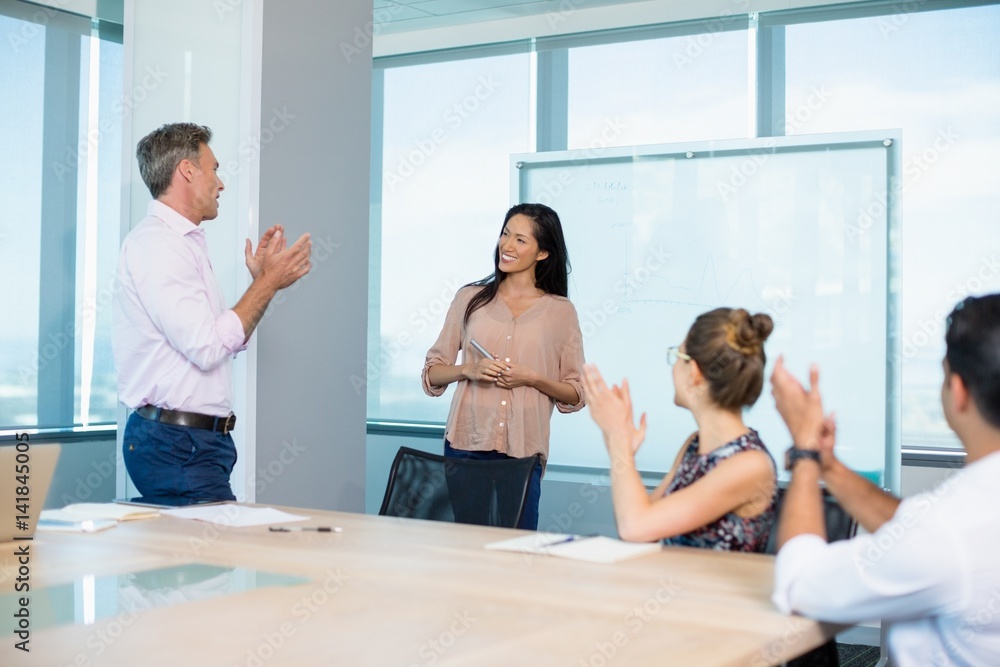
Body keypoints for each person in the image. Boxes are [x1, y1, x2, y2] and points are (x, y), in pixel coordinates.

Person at [770, 294, 1000, 666]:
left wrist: (805, 453)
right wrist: (829, 466)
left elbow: (800, 587)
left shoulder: (950, 533)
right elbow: (913, 527)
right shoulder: (962, 517)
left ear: (958, 391)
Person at [113, 123, 312, 501]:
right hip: (178, 446)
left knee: (211, 541)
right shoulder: (160, 246)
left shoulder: (180, 244)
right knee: (216, 540)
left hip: (190, 444)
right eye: (215, 169)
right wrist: (267, 283)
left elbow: (222, 342)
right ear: (187, 171)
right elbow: (207, 348)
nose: (221, 183)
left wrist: (262, 283)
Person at [422, 203, 585, 530]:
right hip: (466, 445)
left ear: (543, 253)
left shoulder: (560, 311)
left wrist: (533, 378)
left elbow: (576, 393)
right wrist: (467, 370)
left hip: (523, 450)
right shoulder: (470, 299)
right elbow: (432, 373)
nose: (507, 245)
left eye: (520, 240)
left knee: (517, 548)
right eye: (505, 234)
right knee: (468, 544)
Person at [583, 308, 777, 550]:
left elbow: (634, 527)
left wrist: (618, 439)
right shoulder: (694, 444)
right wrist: (621, 449)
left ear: (694, 373)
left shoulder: (750, 464)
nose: (673, 367)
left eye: (677, 355)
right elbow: (645, 529)